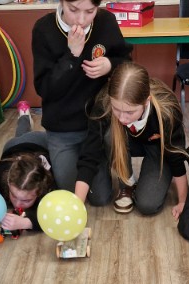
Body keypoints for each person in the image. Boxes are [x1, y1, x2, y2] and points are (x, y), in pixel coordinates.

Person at [32, 0, 132, 193]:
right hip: (62, 128)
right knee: (70, 190)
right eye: (73, 10)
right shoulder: (43, 29)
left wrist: (110, 65)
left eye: (90, 11)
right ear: (62, 3)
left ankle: (98, 158)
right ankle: (37, 141)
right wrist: (71, 55)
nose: (81, 19)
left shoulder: (106, 21)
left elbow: (127, 63)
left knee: (100, 196)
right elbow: (44, 89)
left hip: (98, 124)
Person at [74, 61, 189, 215]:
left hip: (155, 148)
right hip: (120, 143)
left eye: (130, 112)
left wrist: (183, 201)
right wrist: (76, 206)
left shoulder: (167, 110)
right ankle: (126, 184)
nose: (122, 118)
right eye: (116, 109)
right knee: (97, 198)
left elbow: (176, 157)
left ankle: (149, 180)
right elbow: (90, 154)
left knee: (148, 205)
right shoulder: (103, 104)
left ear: (146, 102)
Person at [0, 102, 55, 238]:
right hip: (13, 147)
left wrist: (27, 222)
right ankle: (24, 116)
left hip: (41, 142)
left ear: (40, 190)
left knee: (51, 137)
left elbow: (58, 214)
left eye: (26, 200)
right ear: (8, 181)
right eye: (14, 195)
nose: (17, 203)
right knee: (20, 136)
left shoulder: (49, 181)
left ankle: (25, 116)